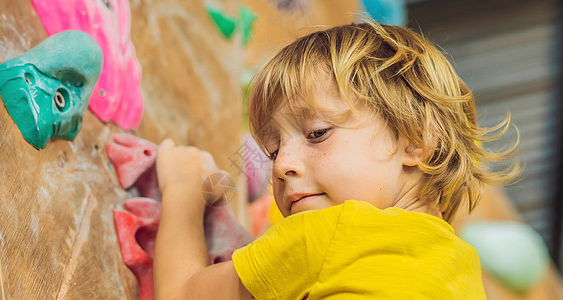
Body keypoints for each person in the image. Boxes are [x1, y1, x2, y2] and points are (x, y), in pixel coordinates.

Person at [153, 22, 518, 299]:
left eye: (317, 133)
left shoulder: (332, 231)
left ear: (415, 141)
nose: (280, 166)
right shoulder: (463, 269)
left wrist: (183, 190)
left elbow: (181, 293)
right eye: (273, 150)